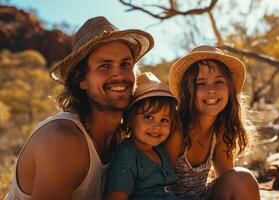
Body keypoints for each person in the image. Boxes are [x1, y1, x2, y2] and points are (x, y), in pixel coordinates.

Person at [5, 16, 154, 200]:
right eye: (105, 66)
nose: (119, 74)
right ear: (81, 80)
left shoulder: (122, 138)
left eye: (125, 64)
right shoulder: (61, 140)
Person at [166, 45, 260, 200]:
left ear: (229, 88)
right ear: (188, 90)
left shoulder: (220, 129)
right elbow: (157, 184)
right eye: (201, 83)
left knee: (243, 179)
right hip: (164, 197)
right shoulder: (177, 129)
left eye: (219, 82)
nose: (211, 90)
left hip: (202, 196)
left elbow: (227, 178)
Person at [105, 72, 180, 200]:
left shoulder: (161, 151)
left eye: (164, 120)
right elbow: (117, 195)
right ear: (129, 119)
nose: (157, 126)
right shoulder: (128, 153)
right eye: (148, 117)